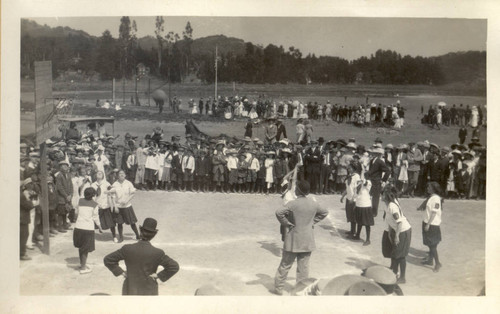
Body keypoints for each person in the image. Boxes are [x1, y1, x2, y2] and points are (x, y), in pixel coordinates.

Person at [273, 180, 329, 295]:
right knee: (303, 268)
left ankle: (279, 288)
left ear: (298, 190)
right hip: (307, 240)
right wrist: (312, 222)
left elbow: (279, 213)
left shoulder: (292, 203)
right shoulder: (314, 203)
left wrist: (287, 223)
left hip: (293, 240)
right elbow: (324, 212)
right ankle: (300, 290)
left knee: (285, 265)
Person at [104, 217, 180, 295]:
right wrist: (158, 276)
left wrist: (121, 272)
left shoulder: (127, 248)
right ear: (154, 235)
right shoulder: (158, 253)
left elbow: (108, 259)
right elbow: (174, 266)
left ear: (140, 231)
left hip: (130, 288)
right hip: (149, 289)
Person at [381, 184, 412, 284]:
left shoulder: (392, 206)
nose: (380, 196)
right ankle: (394, 272)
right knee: (395, 254)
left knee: (400, 255)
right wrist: (390, 233)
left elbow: (399, 222)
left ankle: (402, 278)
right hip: (397, 230)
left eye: (382, 195)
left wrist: (397, 236)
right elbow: (391, 221)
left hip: (403, 231)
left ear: (386, 196)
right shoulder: (388, 205)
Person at [73, 187, 102, 274]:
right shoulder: (95, 204)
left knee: (81, 247)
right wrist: (100, 227)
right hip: (88, 229)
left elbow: (76, 212)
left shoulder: (80, 201)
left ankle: (82, 264)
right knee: (85, 249)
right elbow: (95, 217)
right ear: (93, 195)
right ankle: (83, 268)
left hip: (78, 227)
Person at [418, 182, 443, 272]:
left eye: (429, 187)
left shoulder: (436, 199)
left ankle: (437, 263)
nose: (427, 188)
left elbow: (434, 212)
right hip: (427, 222)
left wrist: (428, 224)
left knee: (432, 245)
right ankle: (430, 260)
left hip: (432, 224)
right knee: (430, 244)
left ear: (433, 188)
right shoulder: (431, 197)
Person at [112, 170, 140, 241]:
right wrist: (115, 206)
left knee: (132, 222)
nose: (121, 175)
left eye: (123, 173)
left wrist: (126, 201)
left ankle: (138, 235)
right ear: (117, 175)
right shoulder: (114, 184)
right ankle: (121, 237)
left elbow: (132, 193)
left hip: (127, 206)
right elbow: (112, 196)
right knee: (119, 223)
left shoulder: (128, 183)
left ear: (125, 175)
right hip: (118, 207)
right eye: (120, 173)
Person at [92, 171, 118, 243]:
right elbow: (92, 196)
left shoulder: (106, 184)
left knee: (111, 223)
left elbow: (113, 190)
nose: (99, 174)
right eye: (98, 173)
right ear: (95, 175)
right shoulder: (93, 185)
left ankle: (114, 236)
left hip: (106, 206)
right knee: (93, 222)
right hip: (97, 206)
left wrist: (108, 192)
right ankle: (91, 237)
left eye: (101, 173)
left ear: (103, 175)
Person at [364, 148, 390, 218]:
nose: (373, 154)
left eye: (374, 153)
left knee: (375, 197)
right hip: (371, 180)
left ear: (378, 154)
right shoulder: (372, 160)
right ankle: (370, 210)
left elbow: (388, 171)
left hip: (377, 181)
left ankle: (374, 212)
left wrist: (384, 180)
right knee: (369, 195)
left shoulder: (380, 161)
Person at [20, 178, 39, 261]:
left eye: (32, 184)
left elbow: (36, 201)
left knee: (31, 228)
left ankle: (29, 242)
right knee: (25, 231)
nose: (31, 185)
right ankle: (24, 248)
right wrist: (32, 203)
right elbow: (28, 204)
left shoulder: (33, 192)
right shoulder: (23, 193)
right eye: (29, 184)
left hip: (31, 211)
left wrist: (34, 203)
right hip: (25, 213)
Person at [340, 162, 361, 237]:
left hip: (353, 199)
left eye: (350, 168)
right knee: (349, 214)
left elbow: (357, 188)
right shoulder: (349, 176)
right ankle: (352, 230)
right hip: (348, 198)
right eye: (348, 168)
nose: (348, 169)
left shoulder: (357, 176)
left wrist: (353, 198)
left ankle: (353, 232)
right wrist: (343, 196)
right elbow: (348, 188)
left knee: (353, 215)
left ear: (354, 168)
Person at [354, 178, 373, 245]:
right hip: (359, 204)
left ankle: (368, 239)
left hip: (366, 205)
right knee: (359, 221)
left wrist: (362, 181)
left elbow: (365, 184)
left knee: (367, 223)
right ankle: (357, 235)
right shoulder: (360, 183)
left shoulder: (368, 182)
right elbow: (357, 191)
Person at [55, 161, 73, 232]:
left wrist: (71, 194)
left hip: (68, 196)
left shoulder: (68, 175)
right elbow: (59, 187)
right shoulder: (59, 176)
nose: (65, 167)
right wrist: (66, 196)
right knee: (61, 212)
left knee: (66, 211)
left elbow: (71, 185)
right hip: (61, 197)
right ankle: (60, 226)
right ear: (60, 167)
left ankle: (65, 224)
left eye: (66, 166)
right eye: (63, 166)